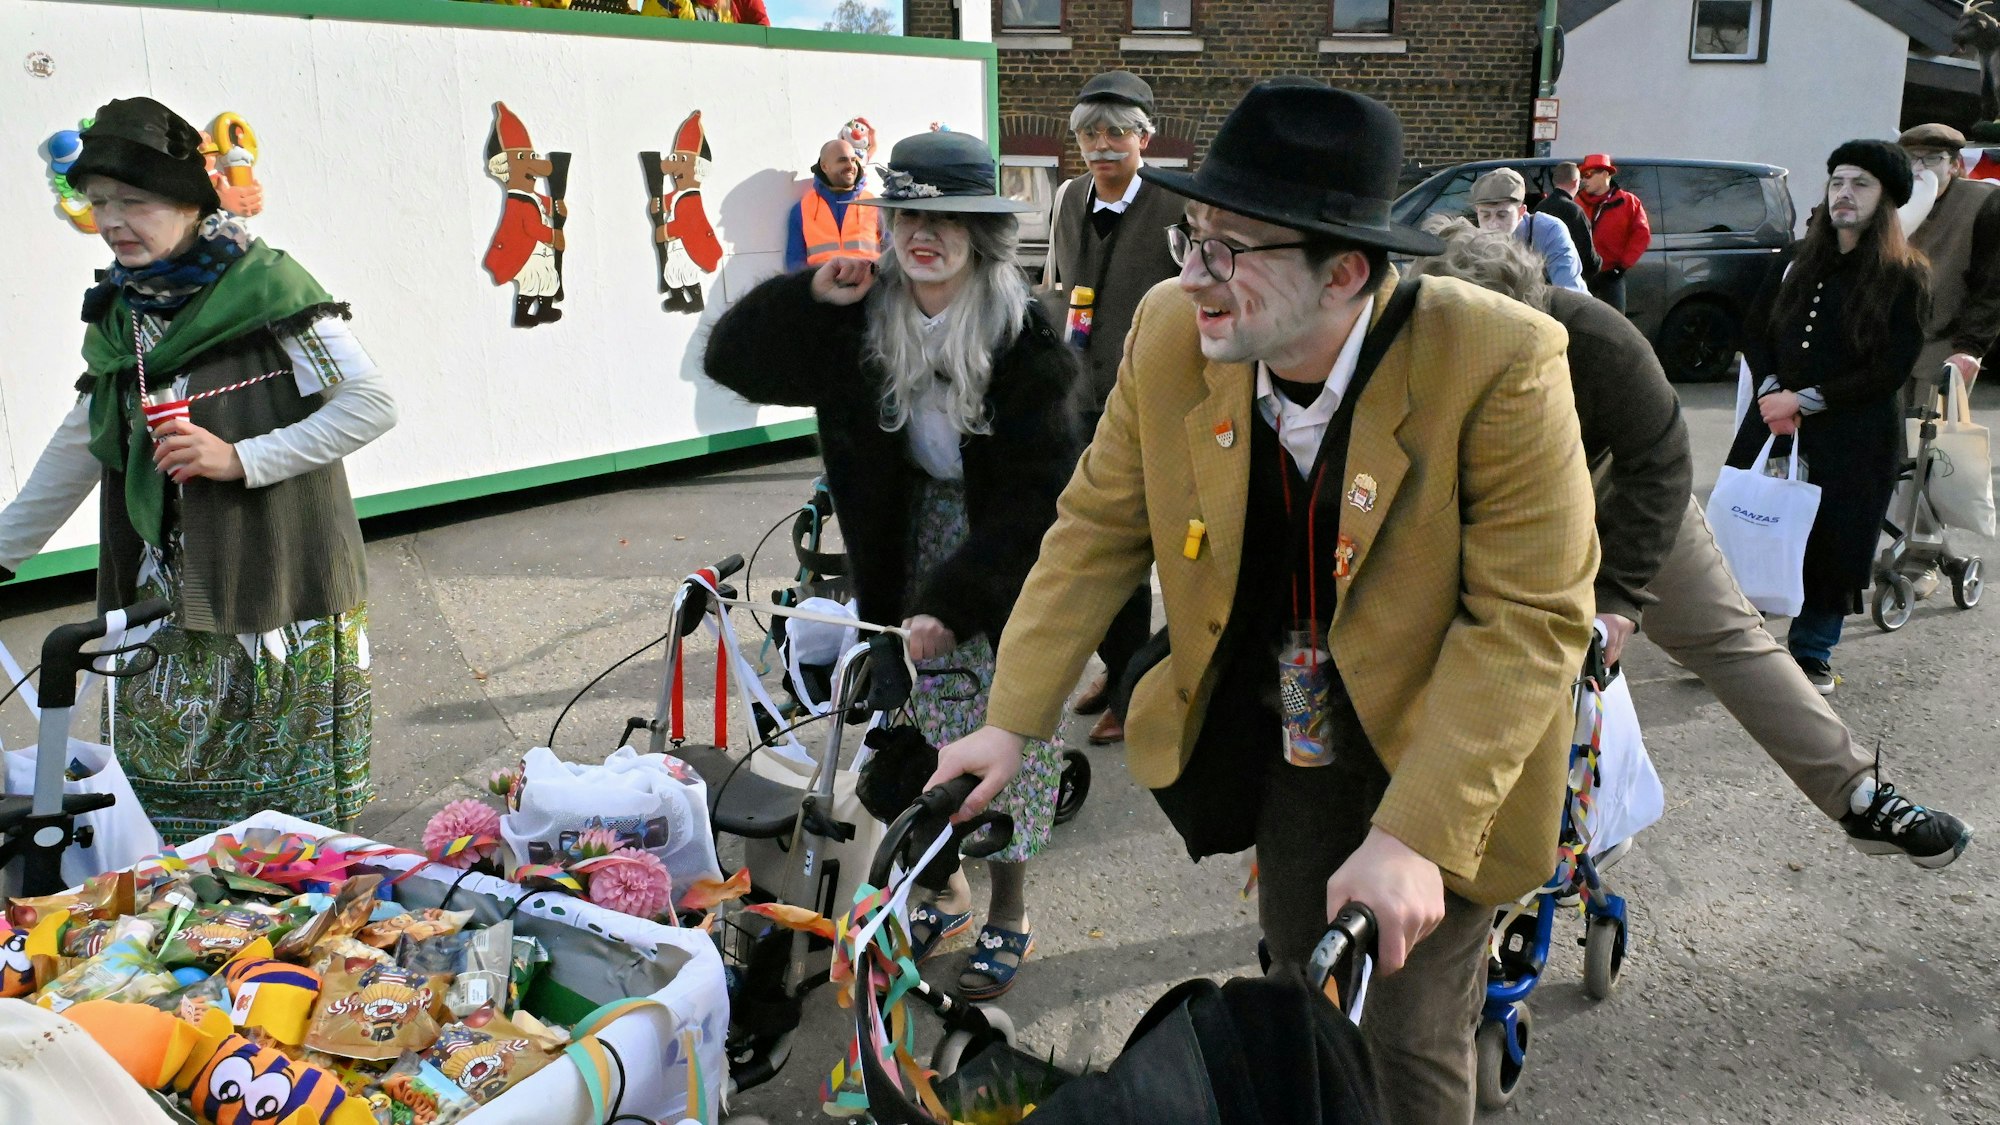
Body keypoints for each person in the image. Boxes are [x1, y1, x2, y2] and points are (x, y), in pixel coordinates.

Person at [927, 81, 1599, 1124]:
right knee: (1299, 986)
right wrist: (1011, 721)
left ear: (1344, 271)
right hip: (1294, 727)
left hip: (1452, 742)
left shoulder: (1497, 359)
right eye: (1191, 236)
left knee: (1408, 1027)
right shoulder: (1168, 330)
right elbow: (1095, 528)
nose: (1193, 273)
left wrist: (1415, 836)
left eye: (1229, 250)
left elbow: (1528, 618)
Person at [1413, 217, 1972, 869]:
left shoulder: (1596, 337)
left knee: (1725, 636)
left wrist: (1618, 595)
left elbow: (1660, 459)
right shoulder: (1416, 347)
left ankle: (1857, 794)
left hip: (1620, 491)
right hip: (1496, 507)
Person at [705, 130, 1082, 1000]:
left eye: (946, 219)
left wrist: (955, 602)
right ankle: (945, 889)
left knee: (1011, 727)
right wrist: (809, 293)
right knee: (912, 725)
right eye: (907, 215)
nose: (923, 234)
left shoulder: (1022, 330)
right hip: (903, 540)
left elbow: (1039, 497)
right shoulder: (863, 311)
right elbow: (733, 362)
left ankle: (1011, 908)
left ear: (981, 234)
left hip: (1002, 553)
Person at [0, 97, 396, 843]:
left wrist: (240, 458)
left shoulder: (268, 289)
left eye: (134, 201)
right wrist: (4, 549)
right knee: (156, 813)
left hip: (276, 583)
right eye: (100, 202)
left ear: (189, 204)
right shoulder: (123, 310)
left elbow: (370, 404)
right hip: (162, 594)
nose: (113, 220)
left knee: (282, 833)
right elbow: (86, 435)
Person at [1725, 141, 1929, 691]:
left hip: (1854, 435)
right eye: (1838, 181)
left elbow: (1891, 368)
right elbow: (1756, 330)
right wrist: (1773, 392)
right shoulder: (1796, 259)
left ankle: (1811, 651)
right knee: (1754, 525)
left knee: (1834, 541)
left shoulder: (1904, 275)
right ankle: (1736, 640)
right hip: (1773, 422)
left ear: (1885, 199)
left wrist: (1804, 401)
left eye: (1860, 184)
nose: (1844, 193)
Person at [1040, 70, 1184, 747]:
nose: (1101, 146)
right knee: (1097, 544)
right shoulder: (1069, 197)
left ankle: (1139, 686)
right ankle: (1119, 666)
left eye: (1116, 133)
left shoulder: (1177, 205)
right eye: (1090, 134)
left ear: (1144, 138)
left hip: (1155, 400)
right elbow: (1059, 285)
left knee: (1152, 547)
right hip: (1080, 400)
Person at [1898, 123, 2000, 393]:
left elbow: (1991, 287)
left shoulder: (1984, 204)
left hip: (1946, 342)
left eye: (1932, 159)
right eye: (1911, 158)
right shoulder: (1886, 200)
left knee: (1931, 417)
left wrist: (1970, 347)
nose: (1919, 167)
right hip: (1887, 342)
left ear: (1954, 165)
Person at [1470, 167, 1587, 292]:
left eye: (1502, 215)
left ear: (1521, 211)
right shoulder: (1474, 241)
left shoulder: (1550, 231)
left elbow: (1569, 290)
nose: (1493, 224)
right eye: (1485, 216)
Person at [785, 137, 879, 272]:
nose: (851, 166)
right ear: (824, 167)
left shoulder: (874, 204)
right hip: (824, 283)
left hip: (870, 283)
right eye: (842, 160)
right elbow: (795, 265)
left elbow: (892, 252)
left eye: (853, 160)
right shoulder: (802, 209)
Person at [1577, 153, 1651, 313]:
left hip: (1612, 277)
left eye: (1588, 174)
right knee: (1580, 321)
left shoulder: (1629, 202)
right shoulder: (1577, 203)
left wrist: (1621, 267)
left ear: (1605, 174)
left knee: (1615, 322)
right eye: (1582, 175)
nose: (1583, 180)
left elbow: (1641, 236)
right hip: (1581, 275)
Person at [1533, 160, 1600, 285]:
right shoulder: (1575, 211)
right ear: (1575, 182)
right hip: (1567, 280)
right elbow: (1588, 257)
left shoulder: (1540, 208)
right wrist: (1598, 264)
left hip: (1540, 280)